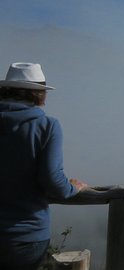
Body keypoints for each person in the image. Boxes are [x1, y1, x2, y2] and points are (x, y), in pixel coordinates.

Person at [0, 63, 88, 270]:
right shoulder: (47, 126)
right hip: (25, 235)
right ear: (38, 94)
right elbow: (52, 180)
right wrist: (74, 187)